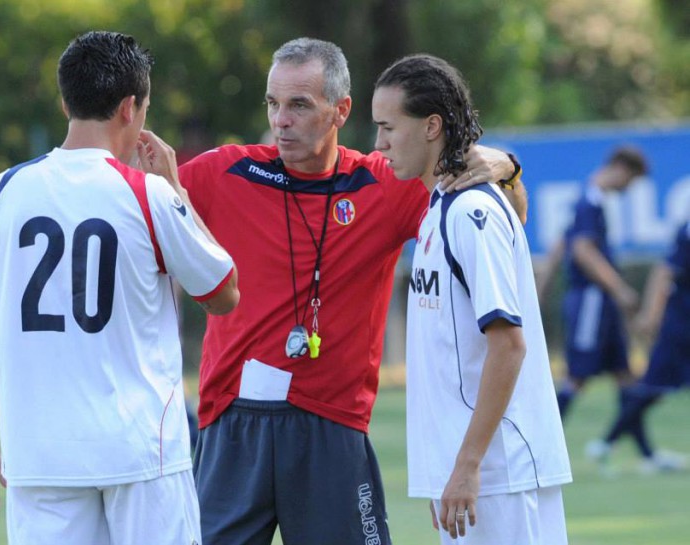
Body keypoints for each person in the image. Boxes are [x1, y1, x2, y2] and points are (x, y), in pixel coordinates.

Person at [177, 37, 525, 545]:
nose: (281, 120)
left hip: (331, 425)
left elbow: (508, 218)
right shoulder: (222, 171)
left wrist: (505, 167)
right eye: (273, 104)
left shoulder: (386, 184)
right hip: (233, 423)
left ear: (341, 110)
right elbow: (128, 211)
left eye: (299, 105)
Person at [0, 30, 238, 545]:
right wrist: (178, 191)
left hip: (41, 457)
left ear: (64, 102)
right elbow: (222, 293)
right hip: (142, 452)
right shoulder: (148, 193)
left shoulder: (3, 191)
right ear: (131, 107)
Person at [373, 53, 572, 544]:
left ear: (431, 127)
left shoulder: (470, 212)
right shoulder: (439, 209)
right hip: (475, 474)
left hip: (499, 472)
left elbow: (509, 344)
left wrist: (467, 466)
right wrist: (451, 469)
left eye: (388, 127)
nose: (379, 144)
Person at [585, 221, 690, 473]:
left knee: (651, 388)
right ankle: (606, 443)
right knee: (652, 388)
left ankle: (609, 443)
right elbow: (665, 271)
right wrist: (651, 315)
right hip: (681, 325)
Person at [554, 146, 648, 420]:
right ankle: (539, 447)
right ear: (620, 168)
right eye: (631, 180)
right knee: (577, 375)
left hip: (600, 301)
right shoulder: (590, 201)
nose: (629, 187)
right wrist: (619, 289)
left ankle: (643, 453)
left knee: (624, 373)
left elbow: (561, 245)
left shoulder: (593, 199)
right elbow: (583, 251)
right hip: (591, 299)